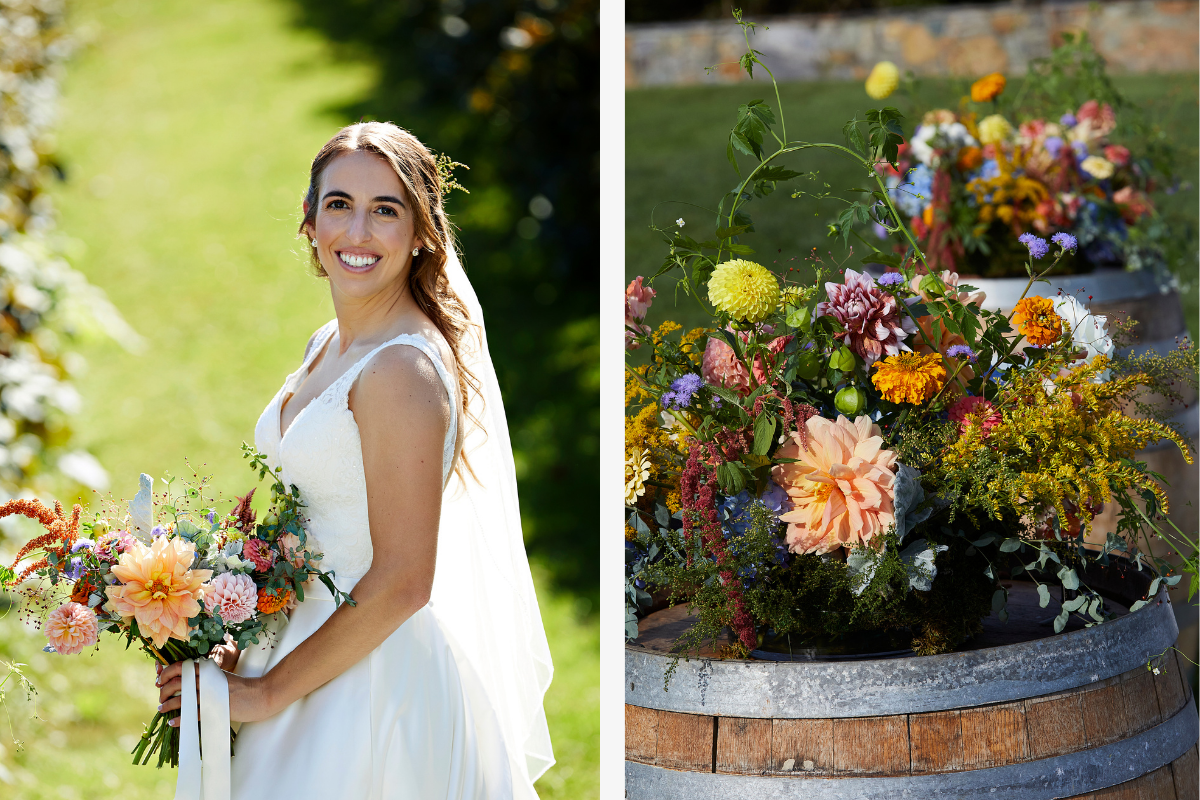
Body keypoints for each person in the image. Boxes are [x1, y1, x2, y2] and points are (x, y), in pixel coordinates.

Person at [153, 121, 554, 799]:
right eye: (339, 205)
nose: (358, 232)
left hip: (371, 687)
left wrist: (264, 695)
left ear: (422, 232)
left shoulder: (401, 371)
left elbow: (403, 579)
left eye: (386, 210)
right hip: (297, 640)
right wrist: (233, 629)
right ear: (310, 223)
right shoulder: (328, 343)